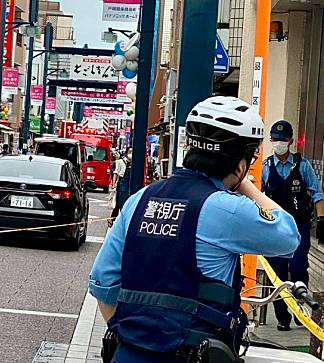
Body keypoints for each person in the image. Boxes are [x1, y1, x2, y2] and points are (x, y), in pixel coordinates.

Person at [89, 96, 300, 363]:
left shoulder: (140, 200)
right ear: (240, 162)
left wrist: (134, 337)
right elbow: (288, 237)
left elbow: (102, 281)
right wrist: (244, 184)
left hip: (129, 353)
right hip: (194, 353)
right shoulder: (227, 209)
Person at [262, 119, 324, 331]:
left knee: (298, 268)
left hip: (299, 226)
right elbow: (256, 197)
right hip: (274, 228)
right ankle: (282, 317)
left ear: (290, 141)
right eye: (275, 139)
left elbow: (317, 193)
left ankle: (301, 310)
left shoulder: (302, 165)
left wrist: (321, 220)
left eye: (283, 139)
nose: (279, 142)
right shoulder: (266, 167)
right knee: (278, 274)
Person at [110, 148, 132, 220]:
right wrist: (113, 185)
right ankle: (116, 219)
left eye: (132, 152)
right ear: (126, 153)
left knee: (125, 203)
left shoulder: (134, 163)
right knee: (120, 202)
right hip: (122, 183)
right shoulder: (119, 162)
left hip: (129, 184)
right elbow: (115, 174)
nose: (131, 154)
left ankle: (113, 218)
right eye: (129, 152)